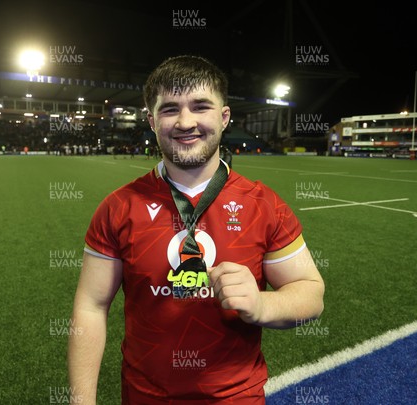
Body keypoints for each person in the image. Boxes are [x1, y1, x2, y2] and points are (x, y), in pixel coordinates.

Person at [68, 55, 325, 404]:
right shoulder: (119, 207)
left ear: (224, 117)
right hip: (145, 397)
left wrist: (262, 306)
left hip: (237, 398)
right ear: (151, 119)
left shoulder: (264, 204)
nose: (186, 122)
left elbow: (311, 293)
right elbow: (91, 306)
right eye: (170, 108)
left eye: (200, 106)